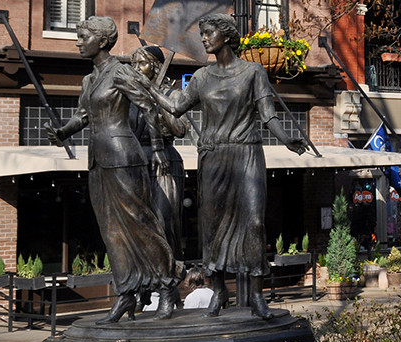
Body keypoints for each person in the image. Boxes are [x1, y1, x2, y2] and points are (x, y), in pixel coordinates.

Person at [148, 13, 308, 320]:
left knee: (255, 222)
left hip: (246, 153)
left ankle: (258, 295)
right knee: (212, 225)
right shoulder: (201, 78)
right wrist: (150, 88)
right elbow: (177, 106)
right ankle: (219, 289)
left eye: (208, 33)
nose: (204, 38)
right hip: (213, 156)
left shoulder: (252, 72)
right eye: (202, 33)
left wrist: (287, 139)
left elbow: (268, 114)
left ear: (227, 36)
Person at [45, 17, 181, 323]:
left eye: (84, 37)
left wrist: (158, 150)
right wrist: (63, 132)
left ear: (103, 41)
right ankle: (125, 294)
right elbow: (82, 116)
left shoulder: (121, 72)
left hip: (124, 156)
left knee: (141, 224)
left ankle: (167, 286)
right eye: (78, 36)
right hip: (98, 159)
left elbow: (147, 106)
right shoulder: (89, 80)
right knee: (112, 232)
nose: (77, 41)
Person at [128, 45, 189, 314]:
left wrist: (157, 97)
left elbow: (180, 128)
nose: (134, 69)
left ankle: (168, 286)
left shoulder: (171, 93)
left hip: (164, 159)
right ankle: (142, 289)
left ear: (154, 66)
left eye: (140, 63)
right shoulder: (130, 95)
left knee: (164, 225)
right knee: (139, 228)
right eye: (132, 63)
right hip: (137, 162)